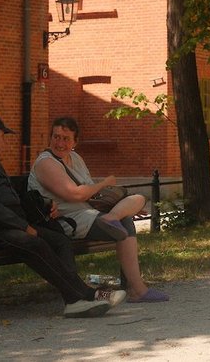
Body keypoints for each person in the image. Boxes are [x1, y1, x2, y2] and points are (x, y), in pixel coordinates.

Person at [0, 113, 127, 318]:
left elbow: (11, 198)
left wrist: (45, 206)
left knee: (59, 240)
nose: (4, 141)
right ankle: (81, 296)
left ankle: (75, 298)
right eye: (2, 135)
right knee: (35, 243)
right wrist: (23, 226)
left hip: (6, 226)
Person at [29, 116, 169, 303]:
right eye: (56, 137)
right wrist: (105, 183)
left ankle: (137, 287)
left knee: (137, 201)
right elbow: (76, 195)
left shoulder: (75, 158)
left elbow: (89, 194)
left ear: (75, 142)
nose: (59, 142)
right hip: (64, 221)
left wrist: (120, 207)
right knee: (124, 221)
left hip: (88, 213)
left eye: (65, 138)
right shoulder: (46, 163)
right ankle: (138, 289)